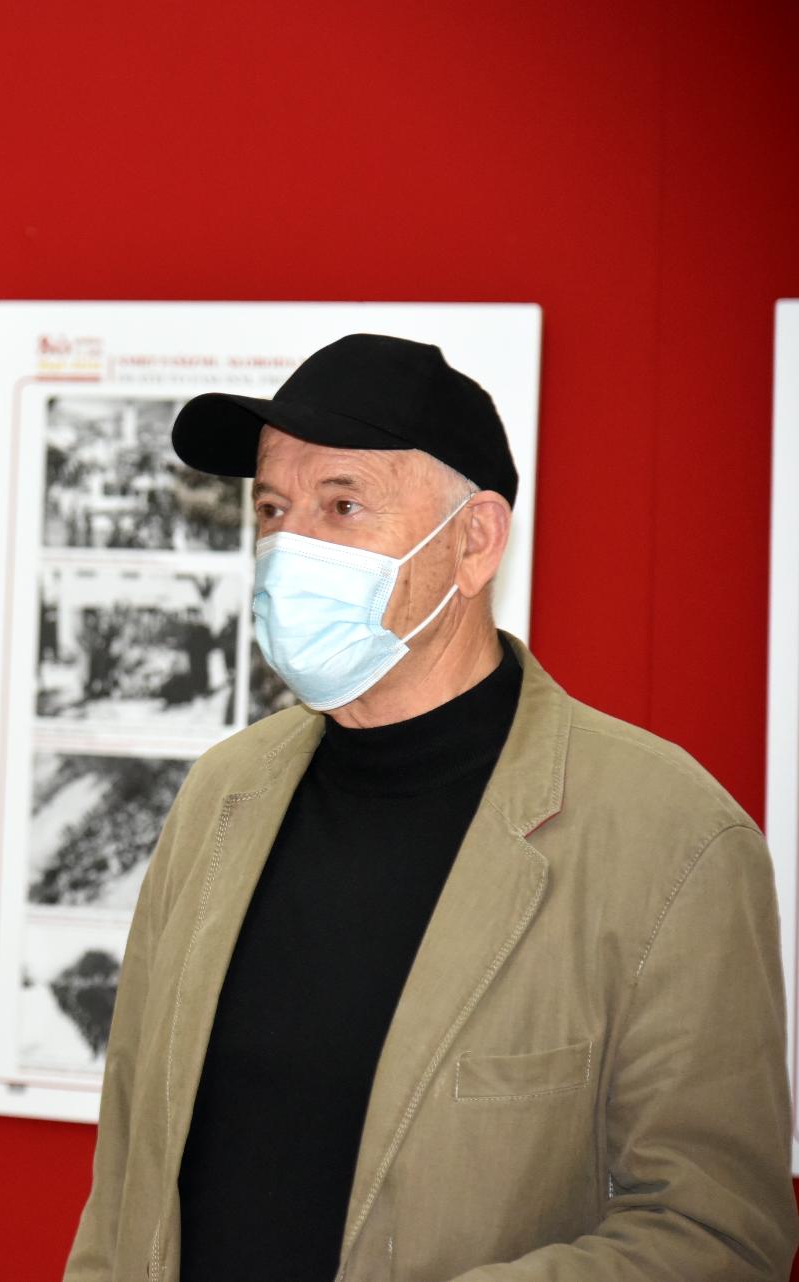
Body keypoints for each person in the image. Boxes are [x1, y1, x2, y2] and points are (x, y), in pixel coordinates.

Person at [65, 334, 796, 1282]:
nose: (289, 548)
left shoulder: (671, 840)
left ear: (475, 540)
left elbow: (717, 1235)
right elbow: (126, 1177)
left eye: (342, 505)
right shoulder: (221, 795)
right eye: (273, 510)